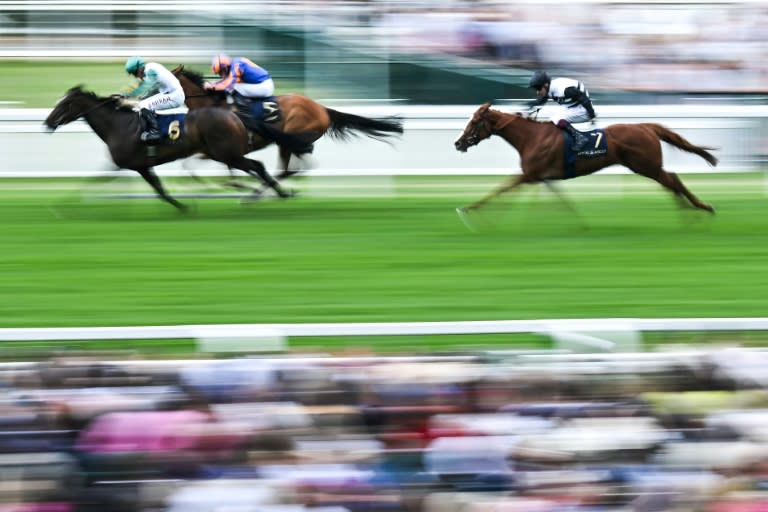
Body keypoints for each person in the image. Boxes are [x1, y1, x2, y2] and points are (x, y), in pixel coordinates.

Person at [527, 71, 596, 150]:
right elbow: (541, 100)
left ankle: (580, 138)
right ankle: (565, 141)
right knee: (552, 121)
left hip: (584, 109)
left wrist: (592, 116)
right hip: (574, 107)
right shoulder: (549, 88)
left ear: (546, 85)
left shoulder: (563, 90)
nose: (537, 92)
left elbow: (585, 99)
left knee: (557, 119)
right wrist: (529, 106)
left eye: (538, 88)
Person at [123, 56, 185, 143]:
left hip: (174, 96)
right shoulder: (149, 68)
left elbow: (146, 86)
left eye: (134, 73)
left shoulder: (150, 70)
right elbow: (152, 88)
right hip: (169, 93)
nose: (136, 76)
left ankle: (155, 131)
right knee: (143, 103)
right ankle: (153, 125)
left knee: (143, 105)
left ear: (139, 68)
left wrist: (128, 95)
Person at [204, 54, 274, 100]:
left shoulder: (236, 66)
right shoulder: (233, 64)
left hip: (264, 86)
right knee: (235, 86)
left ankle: (242, 113)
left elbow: (227, 85)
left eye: (221, 72)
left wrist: (212, 86)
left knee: (234, 87)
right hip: (259, 84)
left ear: (225, 67)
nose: (221, 74)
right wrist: (213, 84)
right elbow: (226, 81)